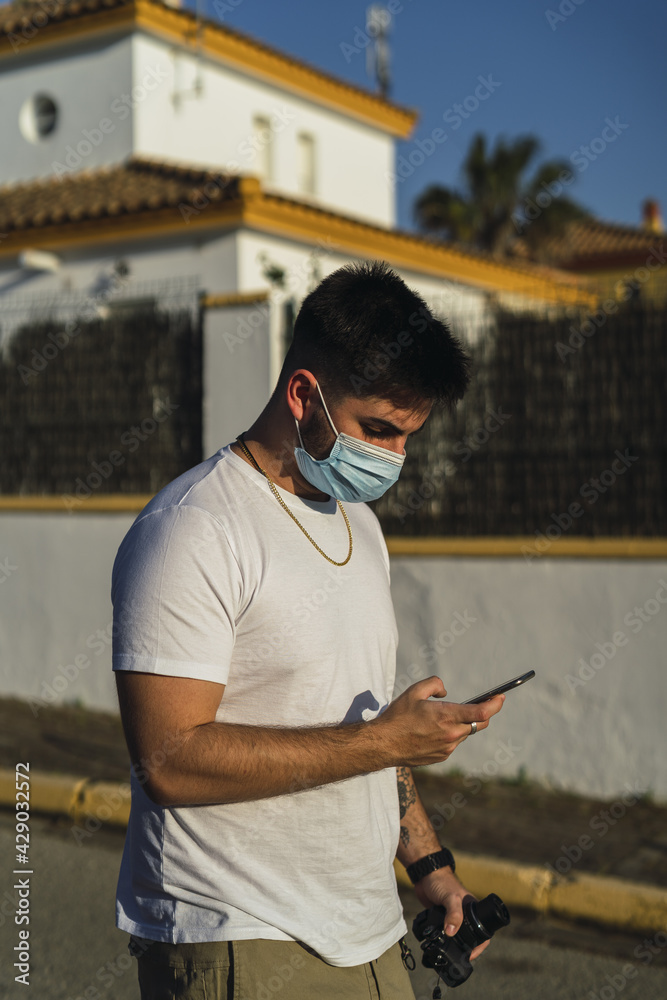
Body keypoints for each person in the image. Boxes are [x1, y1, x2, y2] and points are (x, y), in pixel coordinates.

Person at [111, 260, 505, 999]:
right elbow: (168, 760)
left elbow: (360, 722)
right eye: (379, 430)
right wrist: (389, 739)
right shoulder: (193, 529)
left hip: (367, 932)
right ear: (303, 394)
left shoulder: (361, 525)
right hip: (241, 937)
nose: (394, 458)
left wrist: (429, 868)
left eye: (407, 437)